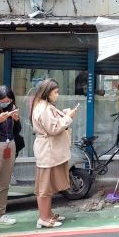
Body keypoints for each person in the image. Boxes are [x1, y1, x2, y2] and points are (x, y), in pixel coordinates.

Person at [30, 78, 76, 229]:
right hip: (47, 152)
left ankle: (48, 214)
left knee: (48, 186)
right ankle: (43, 217)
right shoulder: (43, 108)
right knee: (44, 187)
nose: (57, 94)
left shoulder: (45, 106)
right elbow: (53, 128)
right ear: (48, 93)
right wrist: (69, 117)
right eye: (55, 92)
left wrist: (65, 115)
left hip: (50, 151)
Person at [0, 86, 24, 227]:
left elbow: (17, 130)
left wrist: (17, 120)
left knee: (4, 182)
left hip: (11, 145)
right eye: (2, 100)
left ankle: (0, 215)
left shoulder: (11, 108)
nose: (5, 103)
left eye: (8, 100)